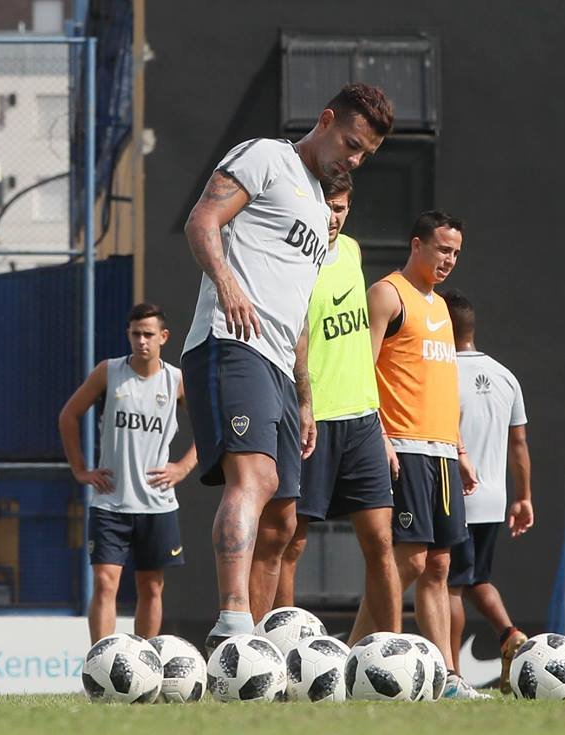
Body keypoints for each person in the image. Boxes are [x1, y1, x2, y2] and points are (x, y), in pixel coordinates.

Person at [180, 83, 393, 651]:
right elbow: (201, 222)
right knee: (252, 479)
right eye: (350, 144)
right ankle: (232, 626)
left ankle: (253, 655)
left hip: (279, 365)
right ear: (325, 121)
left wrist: (304, 398)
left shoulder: (325, 212)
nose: (353, 159)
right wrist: (227, 283)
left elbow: (298, 312)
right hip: (232, 341)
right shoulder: (266, 156)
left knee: (281, 518)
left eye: (364, 156)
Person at [274, 172, 402, 640]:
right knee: (292, 543)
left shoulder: (351, 251)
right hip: (313, 421)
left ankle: (392, 651)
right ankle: (284, 652)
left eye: (342, 207)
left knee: (382, 543)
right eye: (327, 205)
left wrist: (383, 429)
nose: (334, 215)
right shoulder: (289, 258)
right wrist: (302, 406)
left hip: (363, 420)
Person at [364, 210, 485, 699]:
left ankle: (448, 678)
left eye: (455, 252)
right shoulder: (388, 293)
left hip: (440, 453)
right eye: (442, 249)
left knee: (438, 566)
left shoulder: (441, 307)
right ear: (417, 245)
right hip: (404, 445)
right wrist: (381, 437)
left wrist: (459, 449)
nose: (449, 260)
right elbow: (363, 371)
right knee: (408, 562)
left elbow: (443, 384)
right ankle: (373, 655)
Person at [58, 303, 197, 643]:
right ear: (128, 335)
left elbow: (213, 429)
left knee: (150, 586)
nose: (142, 341)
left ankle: (145, 664)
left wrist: (183, 466)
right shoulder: (109, 371)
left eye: (149, 334)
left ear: (163, 337)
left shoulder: (176, 380)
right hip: (110, 502)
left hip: (157, 504)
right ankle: (101, 665)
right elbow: (68, 416)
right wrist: (80, 470)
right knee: (105, 583)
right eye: (135, 334)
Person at [442, 289, 535, 695]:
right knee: (476, 579)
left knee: (449, 586)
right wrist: (524, 496)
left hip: (455, 495)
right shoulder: (505, 375)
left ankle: (452, 674)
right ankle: (510, 634)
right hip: (494, 499)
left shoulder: (441, 373)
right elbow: (519, 445)